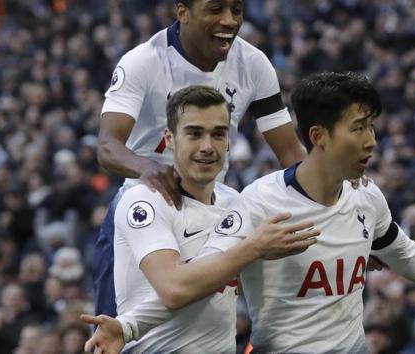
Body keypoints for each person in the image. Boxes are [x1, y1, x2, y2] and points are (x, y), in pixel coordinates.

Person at [87, 72, 415, 353]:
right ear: (319, 136)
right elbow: (198, 279)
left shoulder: (366, 196)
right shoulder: (258, 205)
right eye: (359, 128)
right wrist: (128, 328)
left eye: (372, 127)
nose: (372, 141)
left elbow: (398, 246)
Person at [93, 0, 307, 317]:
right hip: (143, 207)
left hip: (211, 212)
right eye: (215, 10)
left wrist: (336, 210)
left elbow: (290, 153)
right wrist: (147, 167)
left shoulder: (254, 63)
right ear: (183, 13)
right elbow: (108, 145)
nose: (229, 20)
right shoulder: (143, 61)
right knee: (114, 332)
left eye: (236, 10)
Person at [83, 85, 318, 353]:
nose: (207, 146)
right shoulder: (144, 201)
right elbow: (174, 289)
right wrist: (254, 249)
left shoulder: (235, 202)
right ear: (169, 138)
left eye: (218, 134)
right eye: (194, 134)